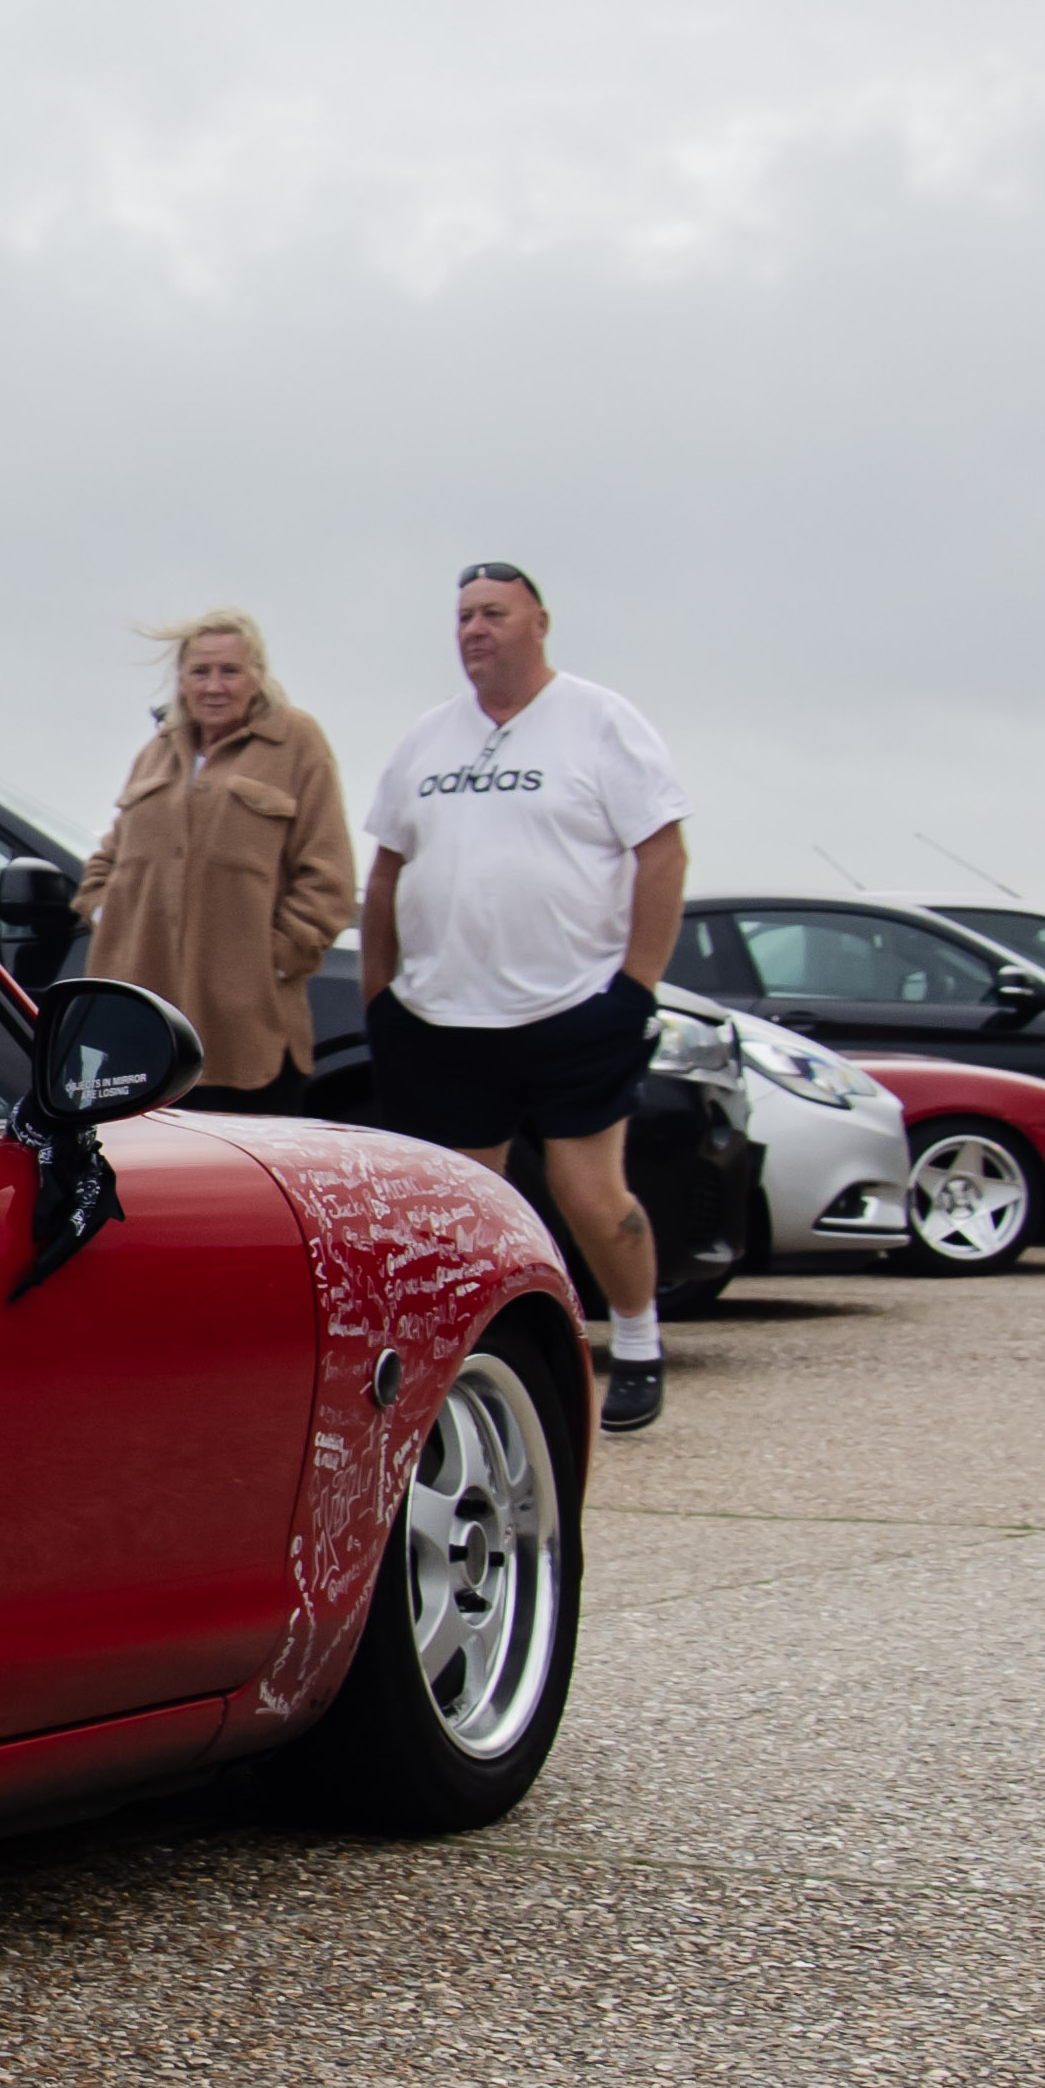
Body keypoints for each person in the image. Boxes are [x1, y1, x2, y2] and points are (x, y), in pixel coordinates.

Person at [358, 562, 686, 1436]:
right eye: (464, 616)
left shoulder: (599, 721)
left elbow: (662, 854)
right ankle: (472, 1368)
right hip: (441, 1016)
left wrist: (638, 984)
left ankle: (638, 1342)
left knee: (590, 1195)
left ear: (539, 621)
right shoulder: (429, 738)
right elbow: (386, 872)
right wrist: (381, 994)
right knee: (461, 1216)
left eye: (494, 614)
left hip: (573, 1008)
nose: (475, 630)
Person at [73, 610, 354, 1115]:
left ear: (257, 675)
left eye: (230, 671)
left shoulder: (296, 742)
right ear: (181, 680)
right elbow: (107, 860)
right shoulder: (156, 752)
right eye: (200, 672)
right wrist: (104, 914)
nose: (214, 686)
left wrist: (274, 959)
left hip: (247, 1033)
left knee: (247, 1161)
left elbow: (328, 875)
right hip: (142, 1028)